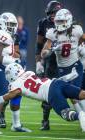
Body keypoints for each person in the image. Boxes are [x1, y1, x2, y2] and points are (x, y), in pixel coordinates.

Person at [0, 62, 85, 132]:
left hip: (51, 93)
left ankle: (80, 115)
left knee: (66, 114)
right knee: (82, 94)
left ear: (10, 74)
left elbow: (2, 98)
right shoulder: (29, 73)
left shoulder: (15, 85)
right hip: (57, 82)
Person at [0, 12, 30, 134]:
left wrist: (14, 60)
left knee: (17, 91)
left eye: (13, 24)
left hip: (3, 67)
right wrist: (13, 60)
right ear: (2, 24)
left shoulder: (9, 36)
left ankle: (16, 124)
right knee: (2, 95)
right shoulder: (0, 33)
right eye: (9, 24)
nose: (12, 27)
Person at [41, 8, 85, 112]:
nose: (59, 24)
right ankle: (81, 116)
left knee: (76, 93)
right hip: (62, 69)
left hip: (75, 66)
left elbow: (83, 38)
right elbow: (43, 53)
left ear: (69, 20)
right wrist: (50, 50)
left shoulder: (76, 30)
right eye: (58, 21)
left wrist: (81, 47)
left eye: (62, 21)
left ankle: (82, 117)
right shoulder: (52, 33)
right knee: (71, 96)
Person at [35, 0, 62, 130]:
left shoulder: (69, 23)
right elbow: (39, 44)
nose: (52, 15)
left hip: (68, 59)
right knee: (48, 89)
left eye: (55, 12)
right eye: (51, 13)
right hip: (51, 60)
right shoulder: (44, 23)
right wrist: (38, 62)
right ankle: (45, 120)